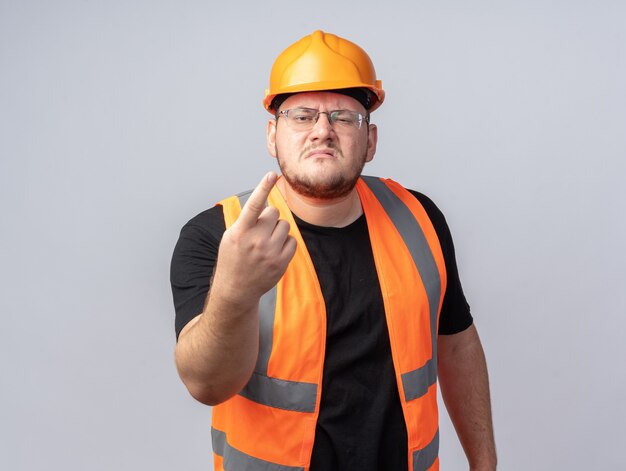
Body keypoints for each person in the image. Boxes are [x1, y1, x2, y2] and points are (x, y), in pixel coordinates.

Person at [171, 30, 496, 471]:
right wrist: (234, 291)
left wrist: (485, 464)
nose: (322, 131)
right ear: (272, 136)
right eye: (302, 116)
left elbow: (457, 344)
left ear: (371, 140)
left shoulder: (419, 218)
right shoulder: (217, 234)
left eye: (344, 117)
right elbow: (206, 384)